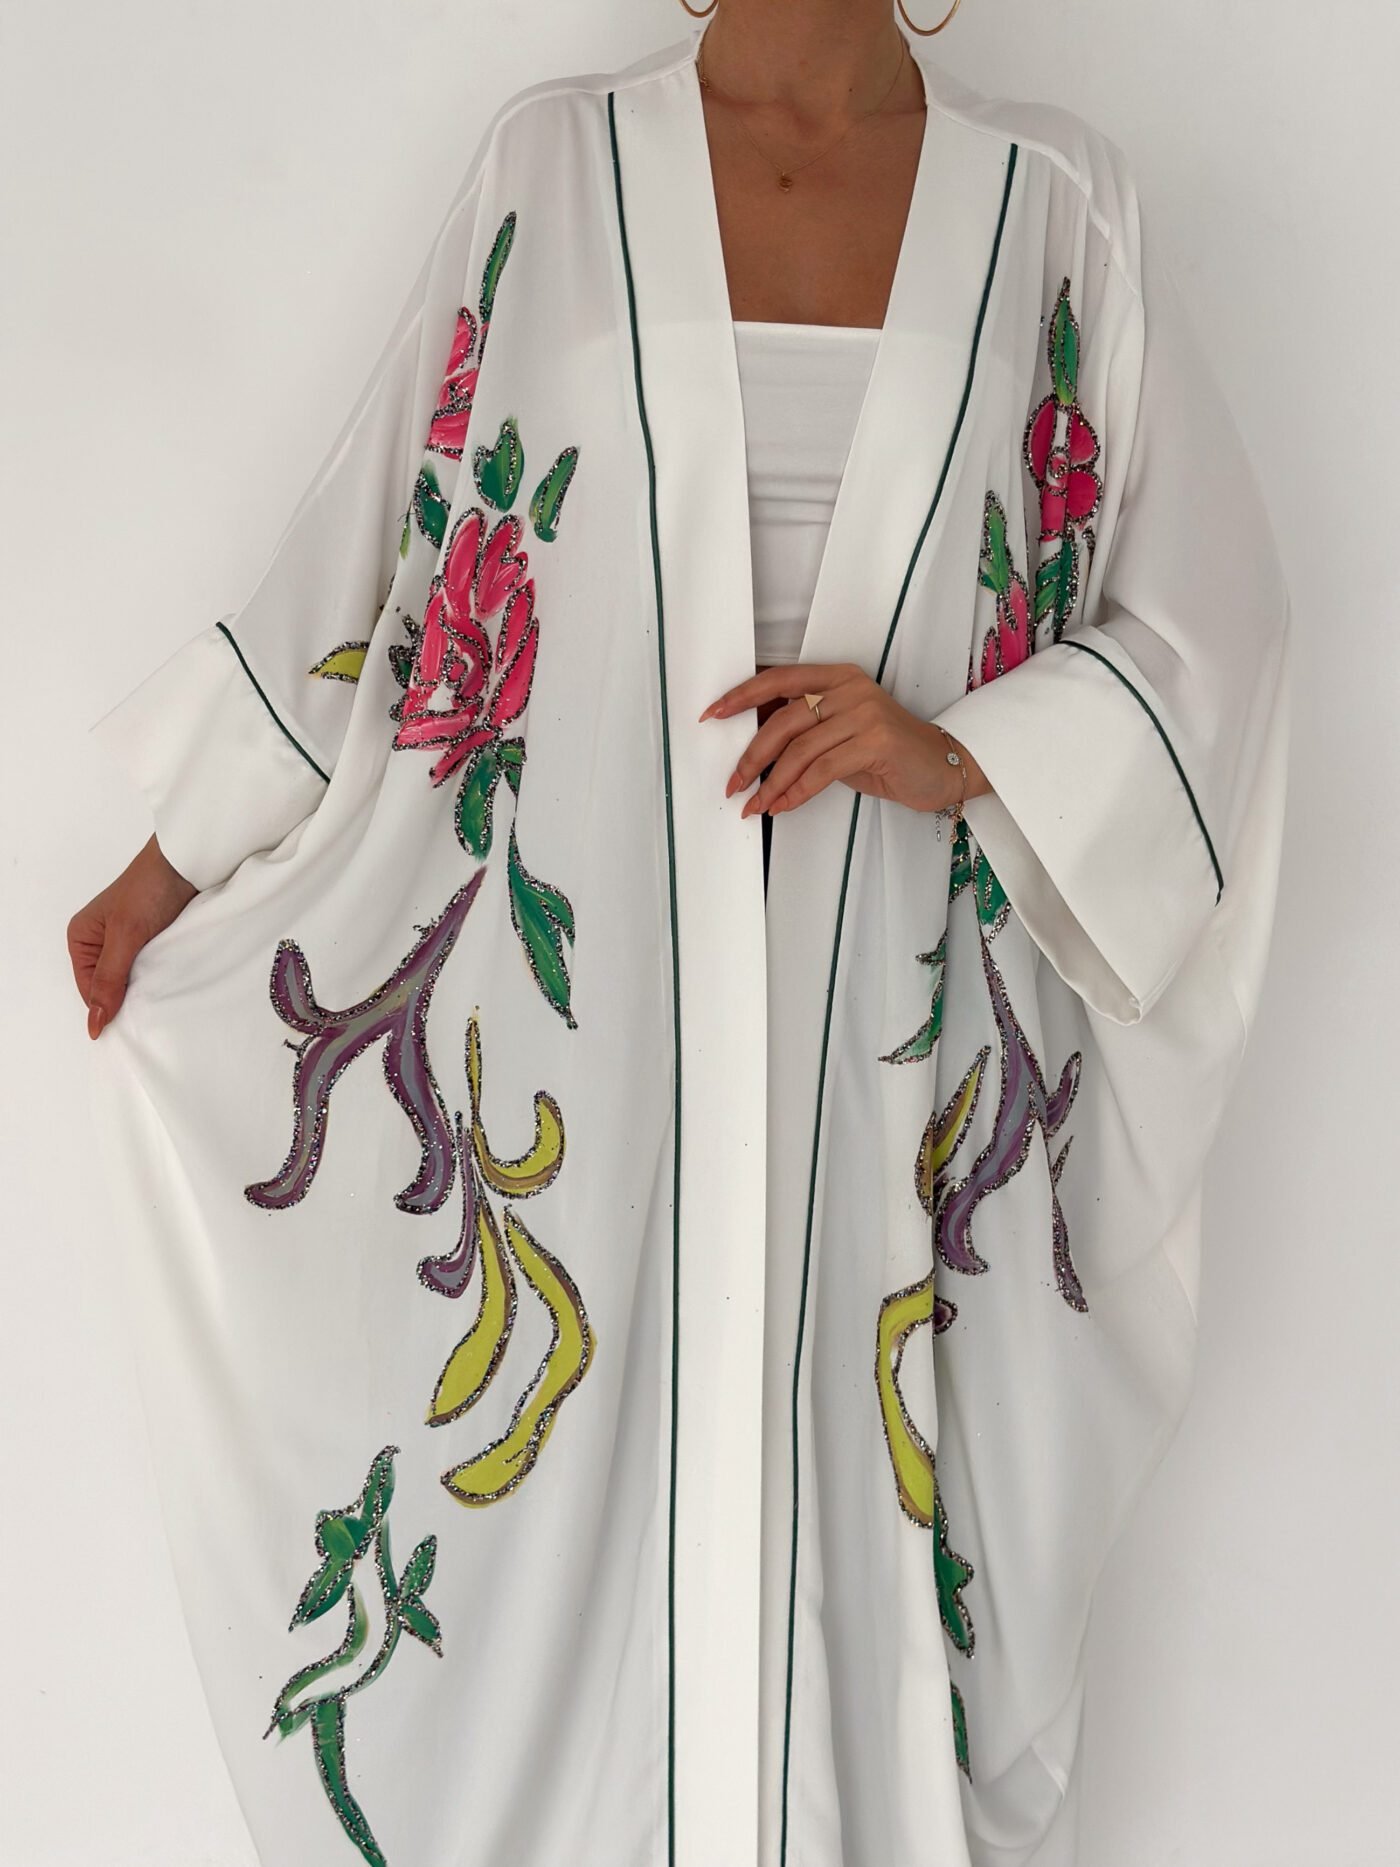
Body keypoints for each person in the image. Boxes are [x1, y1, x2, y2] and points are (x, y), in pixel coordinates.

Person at [71, 3, 1292, 1865]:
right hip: (590, 1017)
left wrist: (963, 751)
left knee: (865, 1501)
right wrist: (171, 864)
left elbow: (1214, 624)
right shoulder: (553, 165)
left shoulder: (1058, 205)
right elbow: (387, 547)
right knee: (562, 1477)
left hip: (895, 1005)